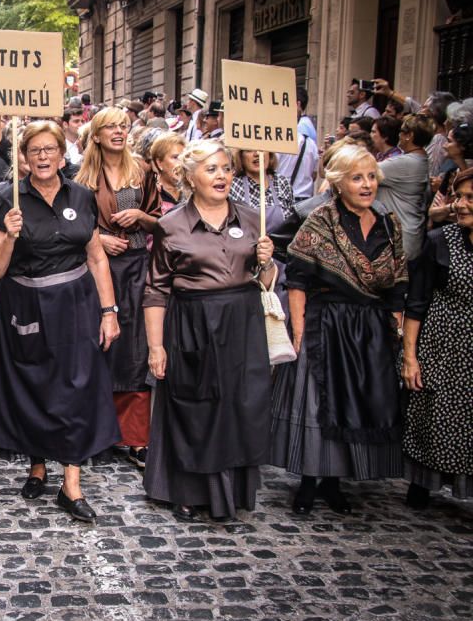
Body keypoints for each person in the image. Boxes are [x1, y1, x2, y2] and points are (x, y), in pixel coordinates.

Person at [0, 120, 121, 524]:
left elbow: (96, 256)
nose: (42, 157)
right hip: (25, 303)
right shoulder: (6, 198)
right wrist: (8, 236)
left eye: (49, 150)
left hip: (76, 304)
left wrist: (109, 312)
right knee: (35, 388)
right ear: (22, 158)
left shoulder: (82, 195)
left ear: (62, 154)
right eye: (34, 150)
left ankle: (71, 485)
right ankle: (37, 465)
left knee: (75, 390)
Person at [270, 145, 408, 515]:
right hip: (325, 323)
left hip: (368, 327)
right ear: (338, 183)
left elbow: (397, 282)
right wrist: (298, 331)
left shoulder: (387, 223)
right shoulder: (320, 221)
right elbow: (296, 281)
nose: (367, 185)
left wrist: (393, 326)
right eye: (357, 178)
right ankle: (309, 481)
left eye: (371, 177)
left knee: (353, 403)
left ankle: (335, 483)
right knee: (319, 406)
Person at [143, 139, 275, 521]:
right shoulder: (171, 225)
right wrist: (156, 346)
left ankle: (234, 490)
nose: (222, 176)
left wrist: (266, 263)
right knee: (196, 408)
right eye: (212, 169)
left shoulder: (253, 218)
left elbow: (266, 280)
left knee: (240, 405)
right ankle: (189, 490)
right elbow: (155, 290)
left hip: (242, 322)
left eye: (226, 168)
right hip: (192, 322)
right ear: (190, 176)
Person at [75, 107, 160, 469]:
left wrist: (141, 218)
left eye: (123, 125)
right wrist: (99, 240)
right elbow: (74, 226)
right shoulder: (79, 178)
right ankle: (99, 432)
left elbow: (161, 221)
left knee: (135, 351)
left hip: (137, 267)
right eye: (110, 126)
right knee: (100, 347)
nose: (118, 131)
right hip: (97, 270)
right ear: (96, 135)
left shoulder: (141, 170)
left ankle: (135, 437)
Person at [401, 166, 473, 509]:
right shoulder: (439, 241)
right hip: (442, 345)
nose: (460, 205)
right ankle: (422, 485)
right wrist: (410, 357)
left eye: (470, 198)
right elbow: (416, 303)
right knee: (432, 418)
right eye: (459, 197)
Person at [377, 113, 436, 260]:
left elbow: (361, 170)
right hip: (408, 232)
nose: (398, 135)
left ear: (409, 135)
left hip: (401, 237)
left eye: (401, 132)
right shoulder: (420, 159)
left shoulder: (406, 163)